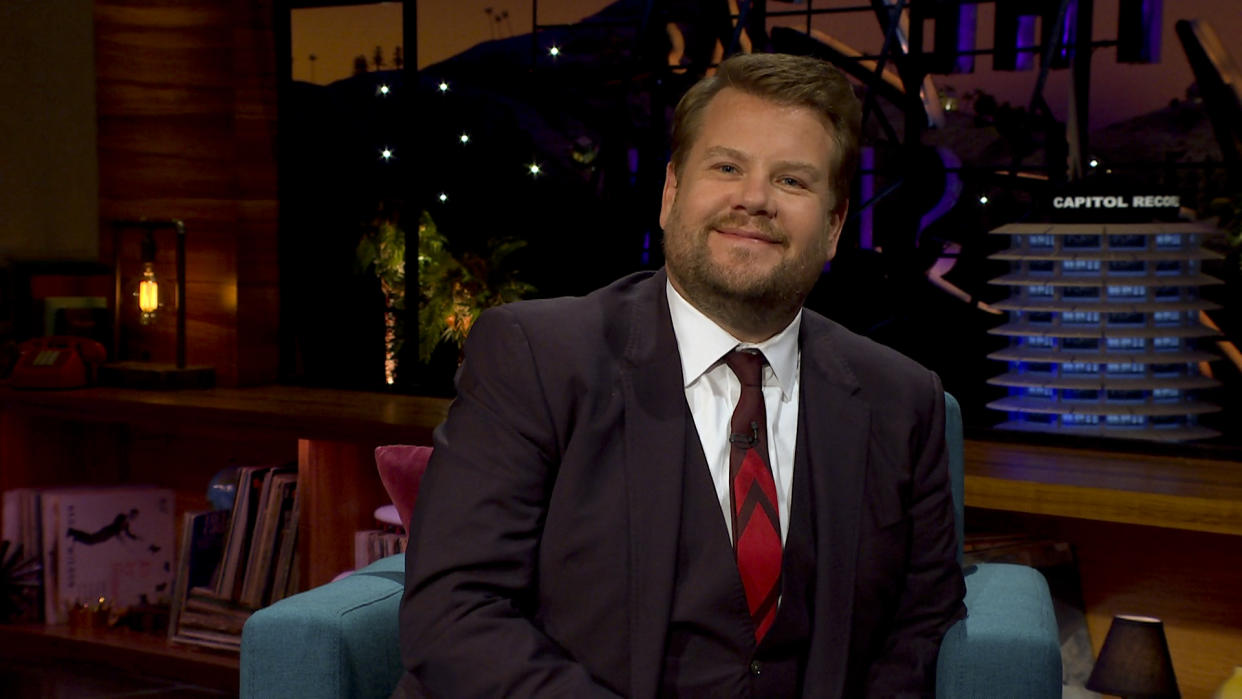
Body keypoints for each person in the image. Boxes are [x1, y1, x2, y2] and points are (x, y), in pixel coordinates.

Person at [396, 52, 966, 698]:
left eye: (793, 181)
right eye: (727, 167)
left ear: (834, 227)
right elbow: (453, 609)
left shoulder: (902, 398)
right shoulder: (535, 356)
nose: (754, 199)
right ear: (671, 194)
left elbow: (920, 625)